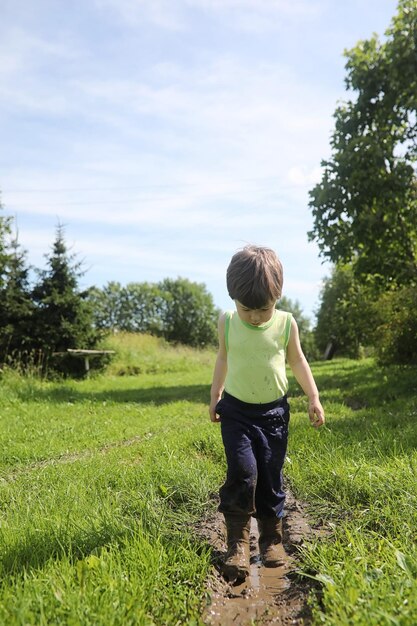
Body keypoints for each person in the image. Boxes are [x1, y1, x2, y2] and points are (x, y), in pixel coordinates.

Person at [209, 245, 325, 582]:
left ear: (278, 296)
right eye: (248, 309)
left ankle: (271, 539)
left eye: (264, 309)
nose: (257, 317)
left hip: (274, 413)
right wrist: (215, 394)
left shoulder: (286, 323)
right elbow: (222, 358)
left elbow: (298, 361)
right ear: (233, 298)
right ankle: (237, 544)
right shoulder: (228, 322)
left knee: (270, 477)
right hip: (236, 412)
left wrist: (313, 396)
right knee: (244, 472)